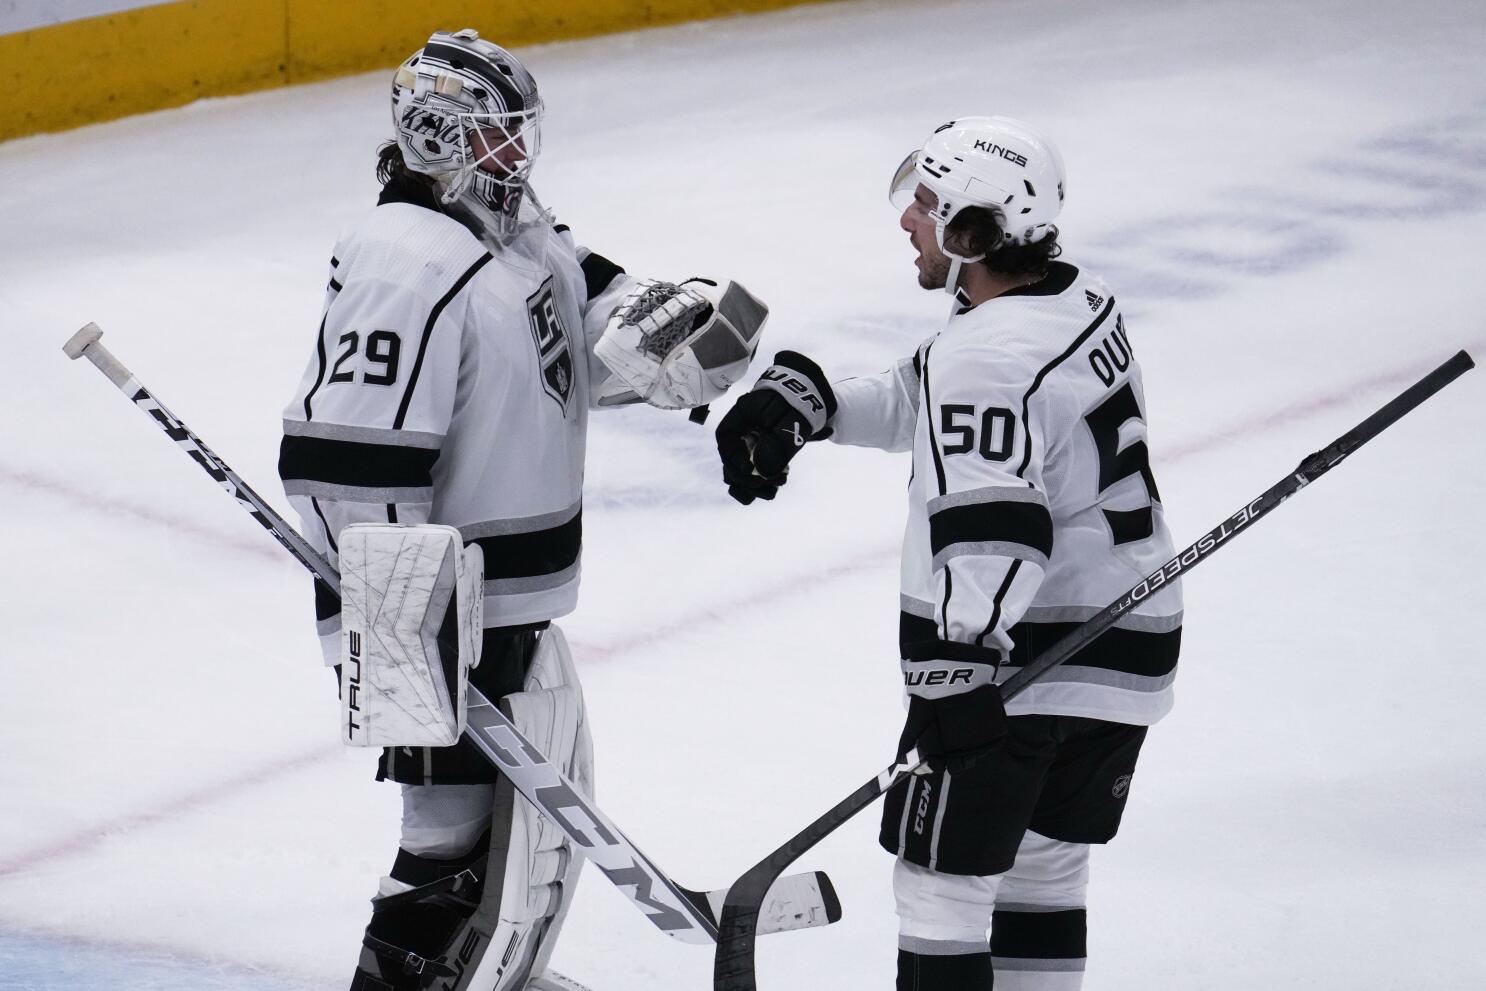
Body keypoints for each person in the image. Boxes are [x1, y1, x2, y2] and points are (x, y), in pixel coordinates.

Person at [278, 29, 765, 991]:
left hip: (505, 606)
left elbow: (599, 317)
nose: (518, 155)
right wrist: (400, 629)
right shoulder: (401, 261)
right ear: (437, 138)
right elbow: (344, 458)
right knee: (449, 841)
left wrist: (675, 340)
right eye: (497, 138)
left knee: (521, 855)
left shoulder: (517, 232)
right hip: (435, 610)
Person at [715, 116, 1183, 990]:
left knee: (942, 895)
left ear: (974, 232)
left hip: (1020, 661)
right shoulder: (1076, 296)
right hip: (1125, 645)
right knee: (1042, 876)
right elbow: (929, 390)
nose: (909, 221)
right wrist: (813, 405)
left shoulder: (986, 354)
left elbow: (1000, 528)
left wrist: (959, 673)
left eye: (928, 205)